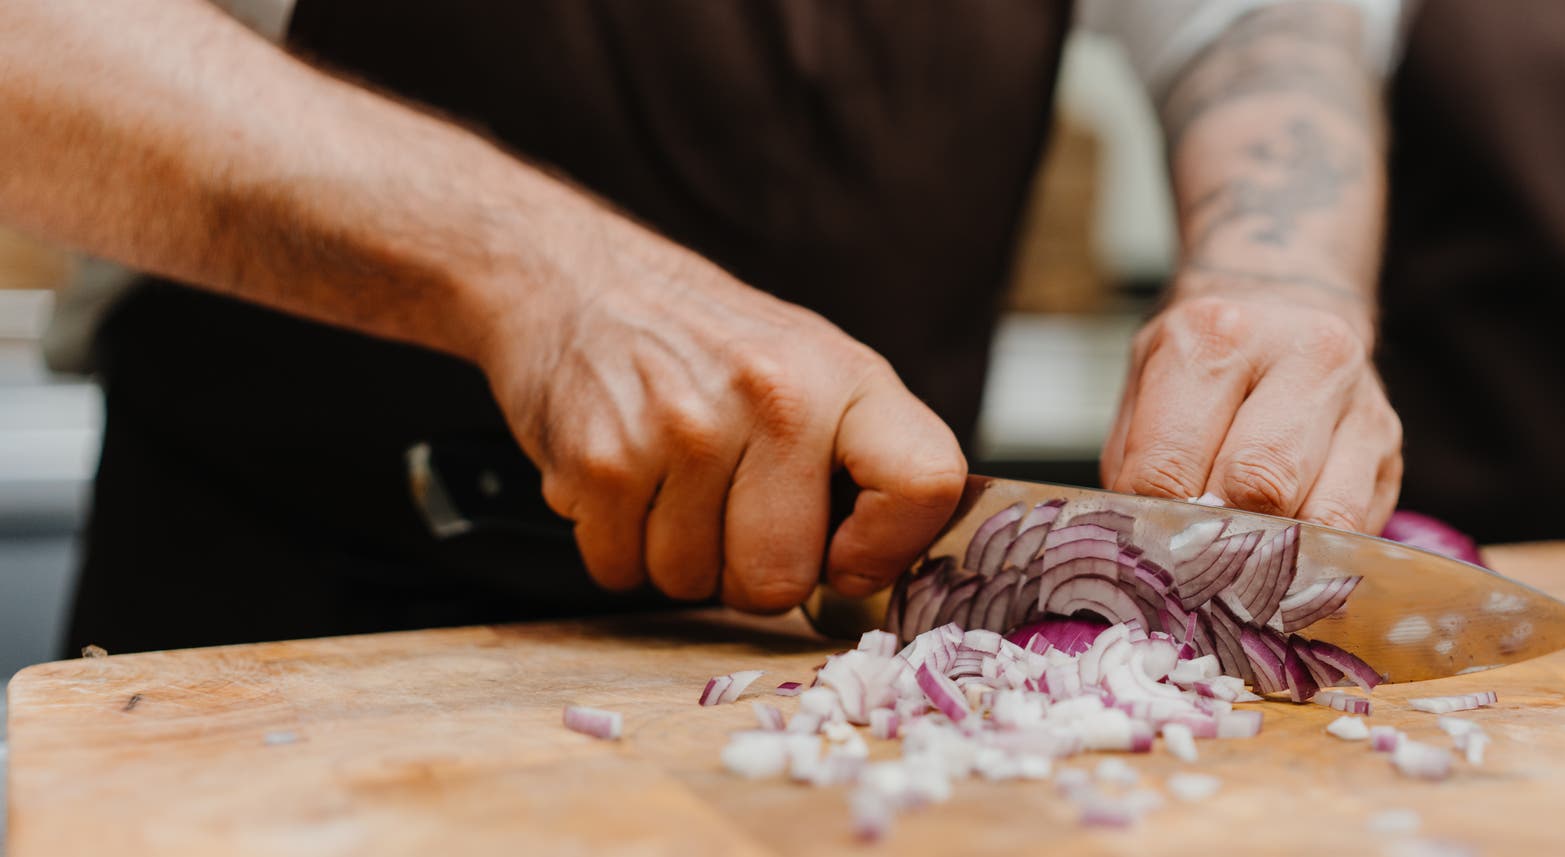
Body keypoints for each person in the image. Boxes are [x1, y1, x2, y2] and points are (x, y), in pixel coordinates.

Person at [1, 0, 1401, 653]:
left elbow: (1252, 22)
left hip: (853, 654)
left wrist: (1284, 276)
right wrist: (539, 271)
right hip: (289, 619)